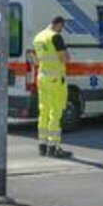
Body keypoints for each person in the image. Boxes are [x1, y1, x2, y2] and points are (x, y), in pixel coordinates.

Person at [32, 16, 72, 159]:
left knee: (43, 111)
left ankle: (42, 146)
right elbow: (65, 58)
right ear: (58, 24)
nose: (62, 30)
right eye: (62, 27)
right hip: (55, 79)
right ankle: (53, 147)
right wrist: (67, 55)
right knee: (55, 113)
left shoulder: (38, 37)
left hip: (42, 78)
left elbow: (35, 60)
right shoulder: (55, 37)